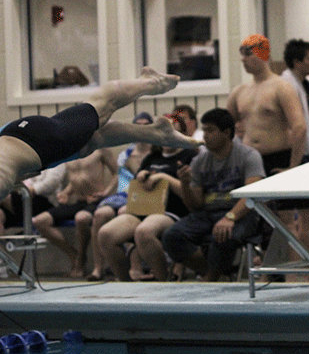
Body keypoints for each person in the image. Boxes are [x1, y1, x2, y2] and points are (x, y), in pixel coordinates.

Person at [0, 67, 194, 205]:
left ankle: (150, 81)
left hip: (39, 143)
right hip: (21, 139)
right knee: (89, 143)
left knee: (101, 107)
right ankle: (157, 133)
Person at [227, 35, 308, 267]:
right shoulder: (239, 92)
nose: (243, 59)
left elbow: (299, 127)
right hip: (251, 163)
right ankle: (266, 270)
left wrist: (293, 168)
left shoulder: (281, 87)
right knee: (258, 221)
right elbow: (224, 128)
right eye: (241, 54)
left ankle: (293, 274)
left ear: (264, 54)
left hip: (278, 159)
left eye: (248, 53)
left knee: (284, 221)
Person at [161, 108, 265, 282]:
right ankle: (215, 275)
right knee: (171, 236)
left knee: (223, 236)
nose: (205, 135)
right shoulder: (199, 161)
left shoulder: (249, 156)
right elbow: (195, 205)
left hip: (241, 213)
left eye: (210, 130)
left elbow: (252, 195)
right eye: (205, 130)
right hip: (208, 214)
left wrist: (230, 217)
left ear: (226, 133)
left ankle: (211, 278)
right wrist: (185, 184)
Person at [97, 115, 198, 281]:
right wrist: (141, 176)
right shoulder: (151, 158)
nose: (168, 137)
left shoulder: (190, 157)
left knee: (144, 231)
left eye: (174, 133)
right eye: (164, 133)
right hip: (143, 209)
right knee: (106, 234)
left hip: (171, 211)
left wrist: (164, 178)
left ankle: (162, 282)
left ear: (182, 136)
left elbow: (193, 194)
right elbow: (137, 186)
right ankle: (126, 283)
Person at [85, 112, 155, 281]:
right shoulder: (126, 154)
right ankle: (98, 268)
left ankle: (135, 268)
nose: (142, 128)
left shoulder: (155, 153)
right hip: (123, 194)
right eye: (138, 125)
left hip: (144, 195)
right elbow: (120, 178)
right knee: (100, 215)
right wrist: (106, 192)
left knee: (125, 212)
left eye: (146, 125)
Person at [32, 149, 117, 277]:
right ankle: (74, 255)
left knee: (81, 218)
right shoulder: (70, 150)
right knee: (39, 221)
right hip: (78, 201)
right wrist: (66, 192)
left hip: (95, 201)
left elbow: (117, 173)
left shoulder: (100, 149)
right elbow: (77, 179)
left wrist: (106, 192)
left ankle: (82, 259)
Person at [281, 38, 309, 257]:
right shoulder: (286, 84)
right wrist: (292, 164)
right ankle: (296, 271)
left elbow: (305, 123)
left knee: (308, 218)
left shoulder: (308, 87)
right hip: (296, 155)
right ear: (296, 62)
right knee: (290, 220)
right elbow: (293, 126)